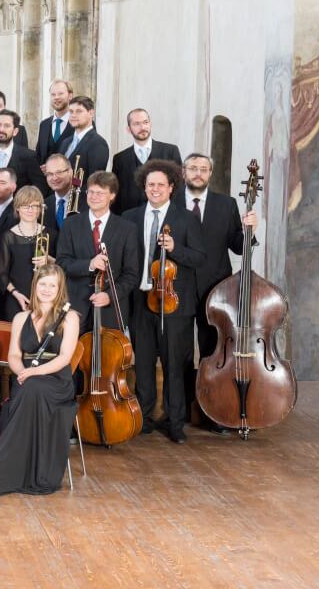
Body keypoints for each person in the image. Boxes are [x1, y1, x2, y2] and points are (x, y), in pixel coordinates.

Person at [121, 160, 206, 443]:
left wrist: (175, 249)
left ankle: (174, 421)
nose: (155, 189)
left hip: (174, 303)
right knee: (143, 364)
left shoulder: (186, 219)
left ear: (171, 187)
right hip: (141, 299)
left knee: (174, 365)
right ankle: (144, 419)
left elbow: (199, 258)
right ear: (144, 188)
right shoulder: (131, 217)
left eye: (161, 185)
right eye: (150, 185)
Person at [0, 264, 80, 496]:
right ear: (35, 285)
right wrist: (21, 372)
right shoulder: (20, 318)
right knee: (29, 389)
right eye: (43, 284)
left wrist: (33, 373)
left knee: (33, 388)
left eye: (52, 285)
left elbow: (65, 358)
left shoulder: (70, 317)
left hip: (57, 381)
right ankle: (15, 466)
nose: (47, 289)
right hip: (26, 379)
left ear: (60, 289)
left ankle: (8, 461)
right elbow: (14, 356)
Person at [181, 153, 258, 435]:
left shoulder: (226, 205)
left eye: (204, 169)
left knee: (212, 349)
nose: (198, 173)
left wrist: (250, 230)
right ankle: (181, 409)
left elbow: (238, 246)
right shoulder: (172, 201)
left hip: (216, 289)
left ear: (210, 173)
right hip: (178, 286)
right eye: (193, 168)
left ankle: (212, 410)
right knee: (180, 352)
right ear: (183, 172)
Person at [55, 171, 142, 333]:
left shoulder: (127, 229)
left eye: (100, 193)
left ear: (112, 195)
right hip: (76, 305)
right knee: (74, 356)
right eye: (91, 192)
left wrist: (109, 296)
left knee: (106, 357)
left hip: (111, 309)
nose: (94, 197)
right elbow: (61, 262)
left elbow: (131, 274)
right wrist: (89, 264)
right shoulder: (70, 224)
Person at [0, 185, 56, 321]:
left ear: (40, 209)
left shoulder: (51, 234)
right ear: (17, 208)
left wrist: (50, 260)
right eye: (25, 206)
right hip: (17, 299)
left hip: (47, 299)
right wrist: (16, 294)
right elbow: (1, 274)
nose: (30, 210)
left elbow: (63, 268)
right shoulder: (8, 236)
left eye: (34, 206)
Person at [110, 108, 183, 214]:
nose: (143, 127)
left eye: (145, 122)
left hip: (165, 217)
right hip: (130, 220)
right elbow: (117, 194)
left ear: (150, 124)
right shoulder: (119, 159)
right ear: (128, 129)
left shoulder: (170, 151)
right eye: (137, 124)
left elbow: (179, 188)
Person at [58, 95, 110, 176]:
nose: (73, 115)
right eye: (71, 111)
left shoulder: (98, 143)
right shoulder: (66, 142)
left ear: (91, 113)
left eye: (78, 111)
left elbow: (94, 179)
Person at [36, 79, 75, 164]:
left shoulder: (79, 123)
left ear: (70, 96)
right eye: (53, 94)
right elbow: (38, 155)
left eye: (60, 93)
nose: (56, 97)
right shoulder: (44, 124)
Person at [41, 153, 77, 245]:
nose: (54, 178)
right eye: (49, 174)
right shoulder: (44, 205)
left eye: (59, 172)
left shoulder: (87, 202)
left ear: (71, 172)